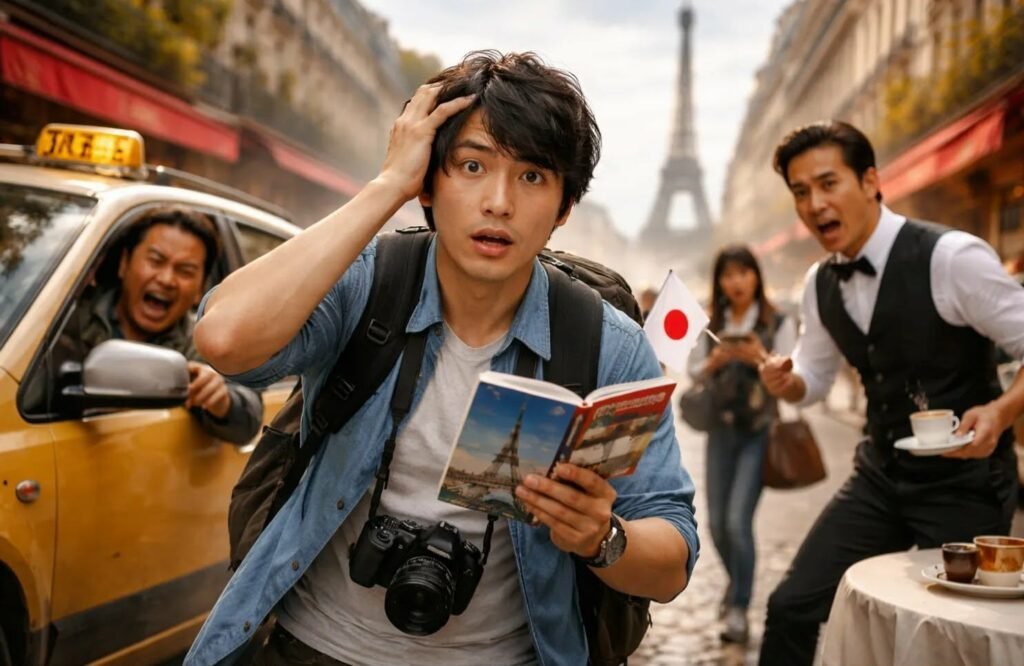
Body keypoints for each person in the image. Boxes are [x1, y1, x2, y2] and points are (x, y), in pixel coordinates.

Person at [186, 51, 699, 665]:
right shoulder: (368, 288)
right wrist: (386, 187)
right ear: (429, 181)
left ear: (565, 208)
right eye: (472, 165)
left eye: (533, 176)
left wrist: (600, 538)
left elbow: (671, 562)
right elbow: (224, 342)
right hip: (312, 648)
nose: (499, 202)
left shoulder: (609, 343)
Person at [757, 120, 1024, 666]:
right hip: (878, 478)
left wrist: (1002, 410)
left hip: (965, 485)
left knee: (950, 638)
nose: (814, 204)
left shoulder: (951, 257)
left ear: (872, 180)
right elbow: (816, 376)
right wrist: (790, 381)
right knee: (791, 607)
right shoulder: (818, 282)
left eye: (829, 183)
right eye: (801, 192)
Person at [70, 207, 262, 444]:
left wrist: (222, 400)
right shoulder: (69, 317)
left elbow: (249, 416)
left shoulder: (203, 344)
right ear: (124, 263)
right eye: (155, 261)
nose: (166, 279)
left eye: (185, 271)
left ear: (200, 290)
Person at [686, 245, 796, 644]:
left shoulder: (776, 320)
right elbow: (692, 369)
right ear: (719, 281)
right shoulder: (710, 322)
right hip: (720, 431)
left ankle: (739, 607)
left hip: (758, 432)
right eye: (727, 275)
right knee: (714, 523)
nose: (735, 282)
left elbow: (790, 373)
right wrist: (711, 363)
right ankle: (737, 584)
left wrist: (760, 356)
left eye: (742, 273)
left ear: (756, 276)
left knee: (737, 521)